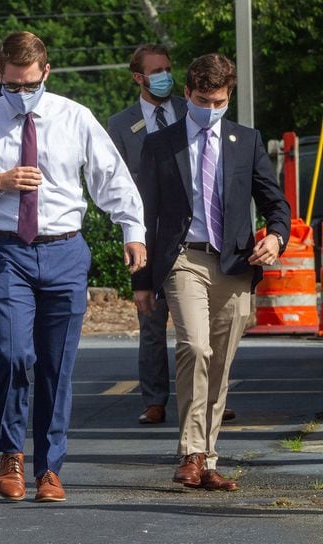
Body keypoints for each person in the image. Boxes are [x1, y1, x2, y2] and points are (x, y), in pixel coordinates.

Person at [0, 31, 146, 503]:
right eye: (12, 86)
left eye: (29, 85)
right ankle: (11, 452)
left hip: (64, 250)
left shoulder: (74, 117)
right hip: (8, 250)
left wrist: (131, 230)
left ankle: (48, 468)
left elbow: (110, 177)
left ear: (46, 73)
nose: (21, 94)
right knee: (13, 356)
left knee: (57, 367)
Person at [133, 53, 289, 492]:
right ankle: (190, 452)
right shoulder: (160, 144)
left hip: (235, 264)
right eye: (203, 99)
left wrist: (275, 238)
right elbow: (143, 216)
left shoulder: (247, 140)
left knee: (219, 364)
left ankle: (208, 457)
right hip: (183, 258)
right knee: (195, 347)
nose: (212, 108)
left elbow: (276, 203)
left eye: (220, 100)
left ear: (229, 96)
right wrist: (141, 281)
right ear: (187, 94)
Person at [107, 44, 192, 425]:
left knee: (198, 331)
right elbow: (118, 181)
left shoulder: (192, 110)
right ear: (138, 78)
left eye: (169, 69)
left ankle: (202, 401)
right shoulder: (121, 124)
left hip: (193, 230)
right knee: (152, 323)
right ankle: (154, 400)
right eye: (156, 71)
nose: (165, 76)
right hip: (150, 234)